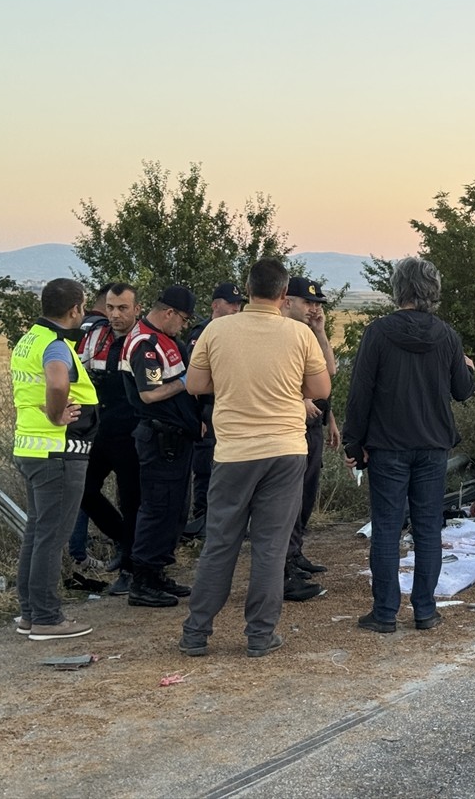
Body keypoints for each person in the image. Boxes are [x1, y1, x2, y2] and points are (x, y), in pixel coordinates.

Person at [179, 259, 331, 658]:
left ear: (247, 291)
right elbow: (320, 387)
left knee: (220, 544)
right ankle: (260, 635)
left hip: (233, 452)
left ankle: (196, 632)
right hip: (285, 451)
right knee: (270, 547)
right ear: (283, 295)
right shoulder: (299, 334)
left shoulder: (217, 330)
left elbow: (195, 384)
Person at [342, 256, 474, 633]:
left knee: (386, 528)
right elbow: (462, 391)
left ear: (398, 289)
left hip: (387, 446)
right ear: (433, 291)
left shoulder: (378, 333)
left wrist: (354, 444)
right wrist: (468, 369)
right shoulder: (447, 335)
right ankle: (425, 610)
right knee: (428, 528)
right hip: (433, 446)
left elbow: (360, 393)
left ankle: (385, 612)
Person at [11, 278, 99, 640]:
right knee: (51, 536)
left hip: (31, 448)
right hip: (57, 452)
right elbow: (59, 383)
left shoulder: (29, 339)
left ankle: (30, 614)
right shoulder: (56, 346)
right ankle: (47, 618)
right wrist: (56, 413)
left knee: (37, 533)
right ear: (75, 309)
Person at [120, 285, 202, 607]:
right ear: (169, 313)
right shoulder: (146, 343)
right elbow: (150, 393)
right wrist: (184, 382)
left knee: (174, 509)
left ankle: (157, 572)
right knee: (157, 509)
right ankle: (142, 580)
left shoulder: (165, 339)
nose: (183, 325)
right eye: (183, 319)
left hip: (176, 438)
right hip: (159, 439)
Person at [76, 282, 143, 596]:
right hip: (100, 430)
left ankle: (132, 569)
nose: (116, 314)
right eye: (111, 308)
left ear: (137, 309)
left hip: (133, 434)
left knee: (132, 502)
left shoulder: (144, 340)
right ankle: (123, 541)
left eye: (123, 308)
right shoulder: (94, 336)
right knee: (83, 490)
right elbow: (79, 373)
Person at [280, 276, 339, 601]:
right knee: (288, 499)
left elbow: (328, 373)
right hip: (291, 426)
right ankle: (285, 565)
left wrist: (320, 331)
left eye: (317, 303)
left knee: (305, 495)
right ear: (287, 301)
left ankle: (295, 553)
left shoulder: (306, 333)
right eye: (308, 302)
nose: (313, 308)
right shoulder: (280, 332)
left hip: (314, 423)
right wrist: (299, 400)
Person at [184, 282, 245, 540]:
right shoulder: (202, 333)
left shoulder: (237, 332)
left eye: (238, 304)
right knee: (206, 468)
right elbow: (193, 377)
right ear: (215, 305)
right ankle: (202, 522)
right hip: (207, 409)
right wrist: (196, 416)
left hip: (231, 409)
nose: (235, 308)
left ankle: (226, 521)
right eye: (231, 303)